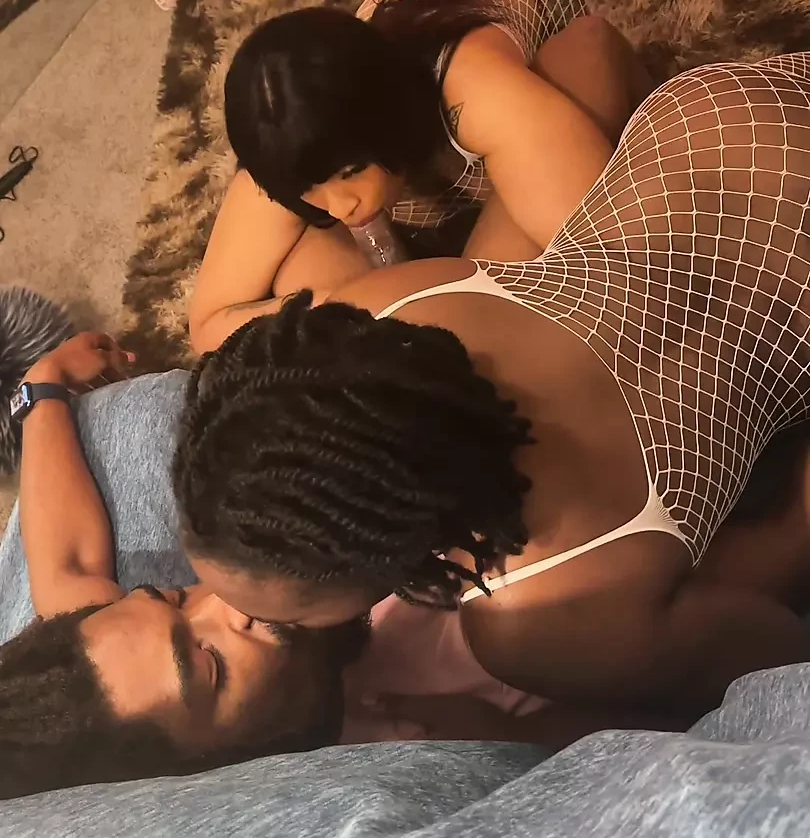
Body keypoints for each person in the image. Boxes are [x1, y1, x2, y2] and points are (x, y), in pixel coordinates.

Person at [175, 53, 810, 720]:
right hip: (716, 121)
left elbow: (777, 649)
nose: (229, 614)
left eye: (293, 616)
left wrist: (551, 725)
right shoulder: (386, 308)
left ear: (378, 565)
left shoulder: (534, 617)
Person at [189, 0, 650, 354]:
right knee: (302, 278)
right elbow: (210, 324)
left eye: (350, 172)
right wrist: (343, 303)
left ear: (391, 120)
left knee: (490, 320)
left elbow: (620, 268)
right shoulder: (293, 148)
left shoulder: (476, 92)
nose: (341, 207)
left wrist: (416, 309)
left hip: (547, 46)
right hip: (376, 98)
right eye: (310, 189)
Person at [0, 334, 355, 800]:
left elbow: (68, 566)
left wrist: (42, 386)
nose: (227, 599)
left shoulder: (112, 664)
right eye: (211, 663)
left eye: (177, 596)